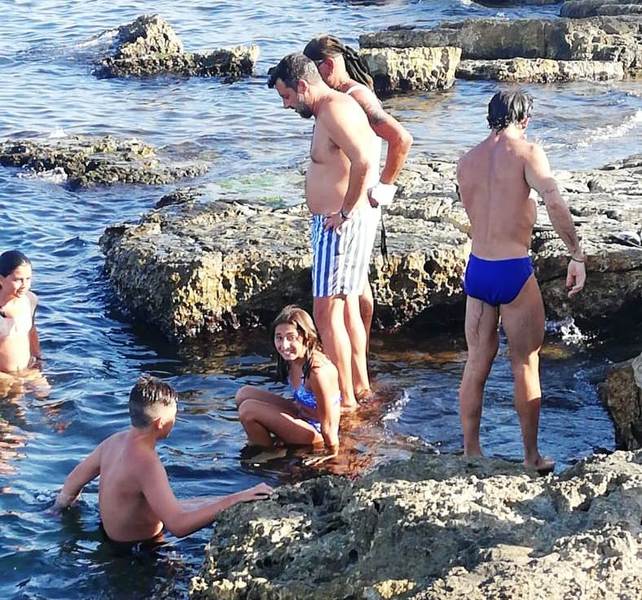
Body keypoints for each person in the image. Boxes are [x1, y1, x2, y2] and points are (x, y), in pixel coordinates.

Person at [456, 90, 586, 473]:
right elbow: (554, 201)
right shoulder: (529, 153)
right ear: (524, 119)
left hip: (478, 269)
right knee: (525, 364)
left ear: (490, 117)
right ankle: (531, 457)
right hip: (512, 268)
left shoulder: (466, 160)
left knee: (476, 361)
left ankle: (471, 452)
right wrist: (576, 253)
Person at [267, 53, 378, 410]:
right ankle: (357, 387)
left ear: (302, 85)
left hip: (338, 224)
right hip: (337, 222)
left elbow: (364, 159)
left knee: (326, 315)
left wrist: (345, 211)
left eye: (287, 96)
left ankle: (345, 398)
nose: (286, 105)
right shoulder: (335, 107)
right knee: (341, 311)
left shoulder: (333, 110)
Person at [55, 375, 273, 544]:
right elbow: (178, 526)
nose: (175, 421)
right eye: (174, 416)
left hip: (107, 535)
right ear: (159, 423)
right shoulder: (147, 464)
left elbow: (72, 483)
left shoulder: (113, 442)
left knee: (205, 502)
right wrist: (238, 499)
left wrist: (58, 511)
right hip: (140, 552)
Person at [303, 34, 413, 351]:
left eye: (312, 71)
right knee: (354, 287)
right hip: (350, 206)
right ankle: (358, 359)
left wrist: (384, 186)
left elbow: (400, 138)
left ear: (326, 66)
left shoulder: (357, 96)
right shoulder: (337, 99)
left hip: (354, 210)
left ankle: (358, 356)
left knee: (353, 293)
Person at [236, 305, 340, 464]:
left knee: (248, 410)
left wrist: (331, 453)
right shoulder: (293, 359)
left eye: (291, 337)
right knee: (244, 394)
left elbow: (329, 424)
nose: (284, 345)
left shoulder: (318, 372)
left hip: (316, 431)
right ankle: (264, 441)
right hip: (301, 413)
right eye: (279, 337)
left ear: (306, 337)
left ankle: (271, 453)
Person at [0, 250, 42, 375]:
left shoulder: (30, 300)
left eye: (28, 279)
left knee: (46, 390)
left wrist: (38, 359)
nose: (25, 285)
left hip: (27, 370)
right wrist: (7, 378)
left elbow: (31, 331)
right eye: (18, 280)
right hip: (4, 377)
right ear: (1, 279)